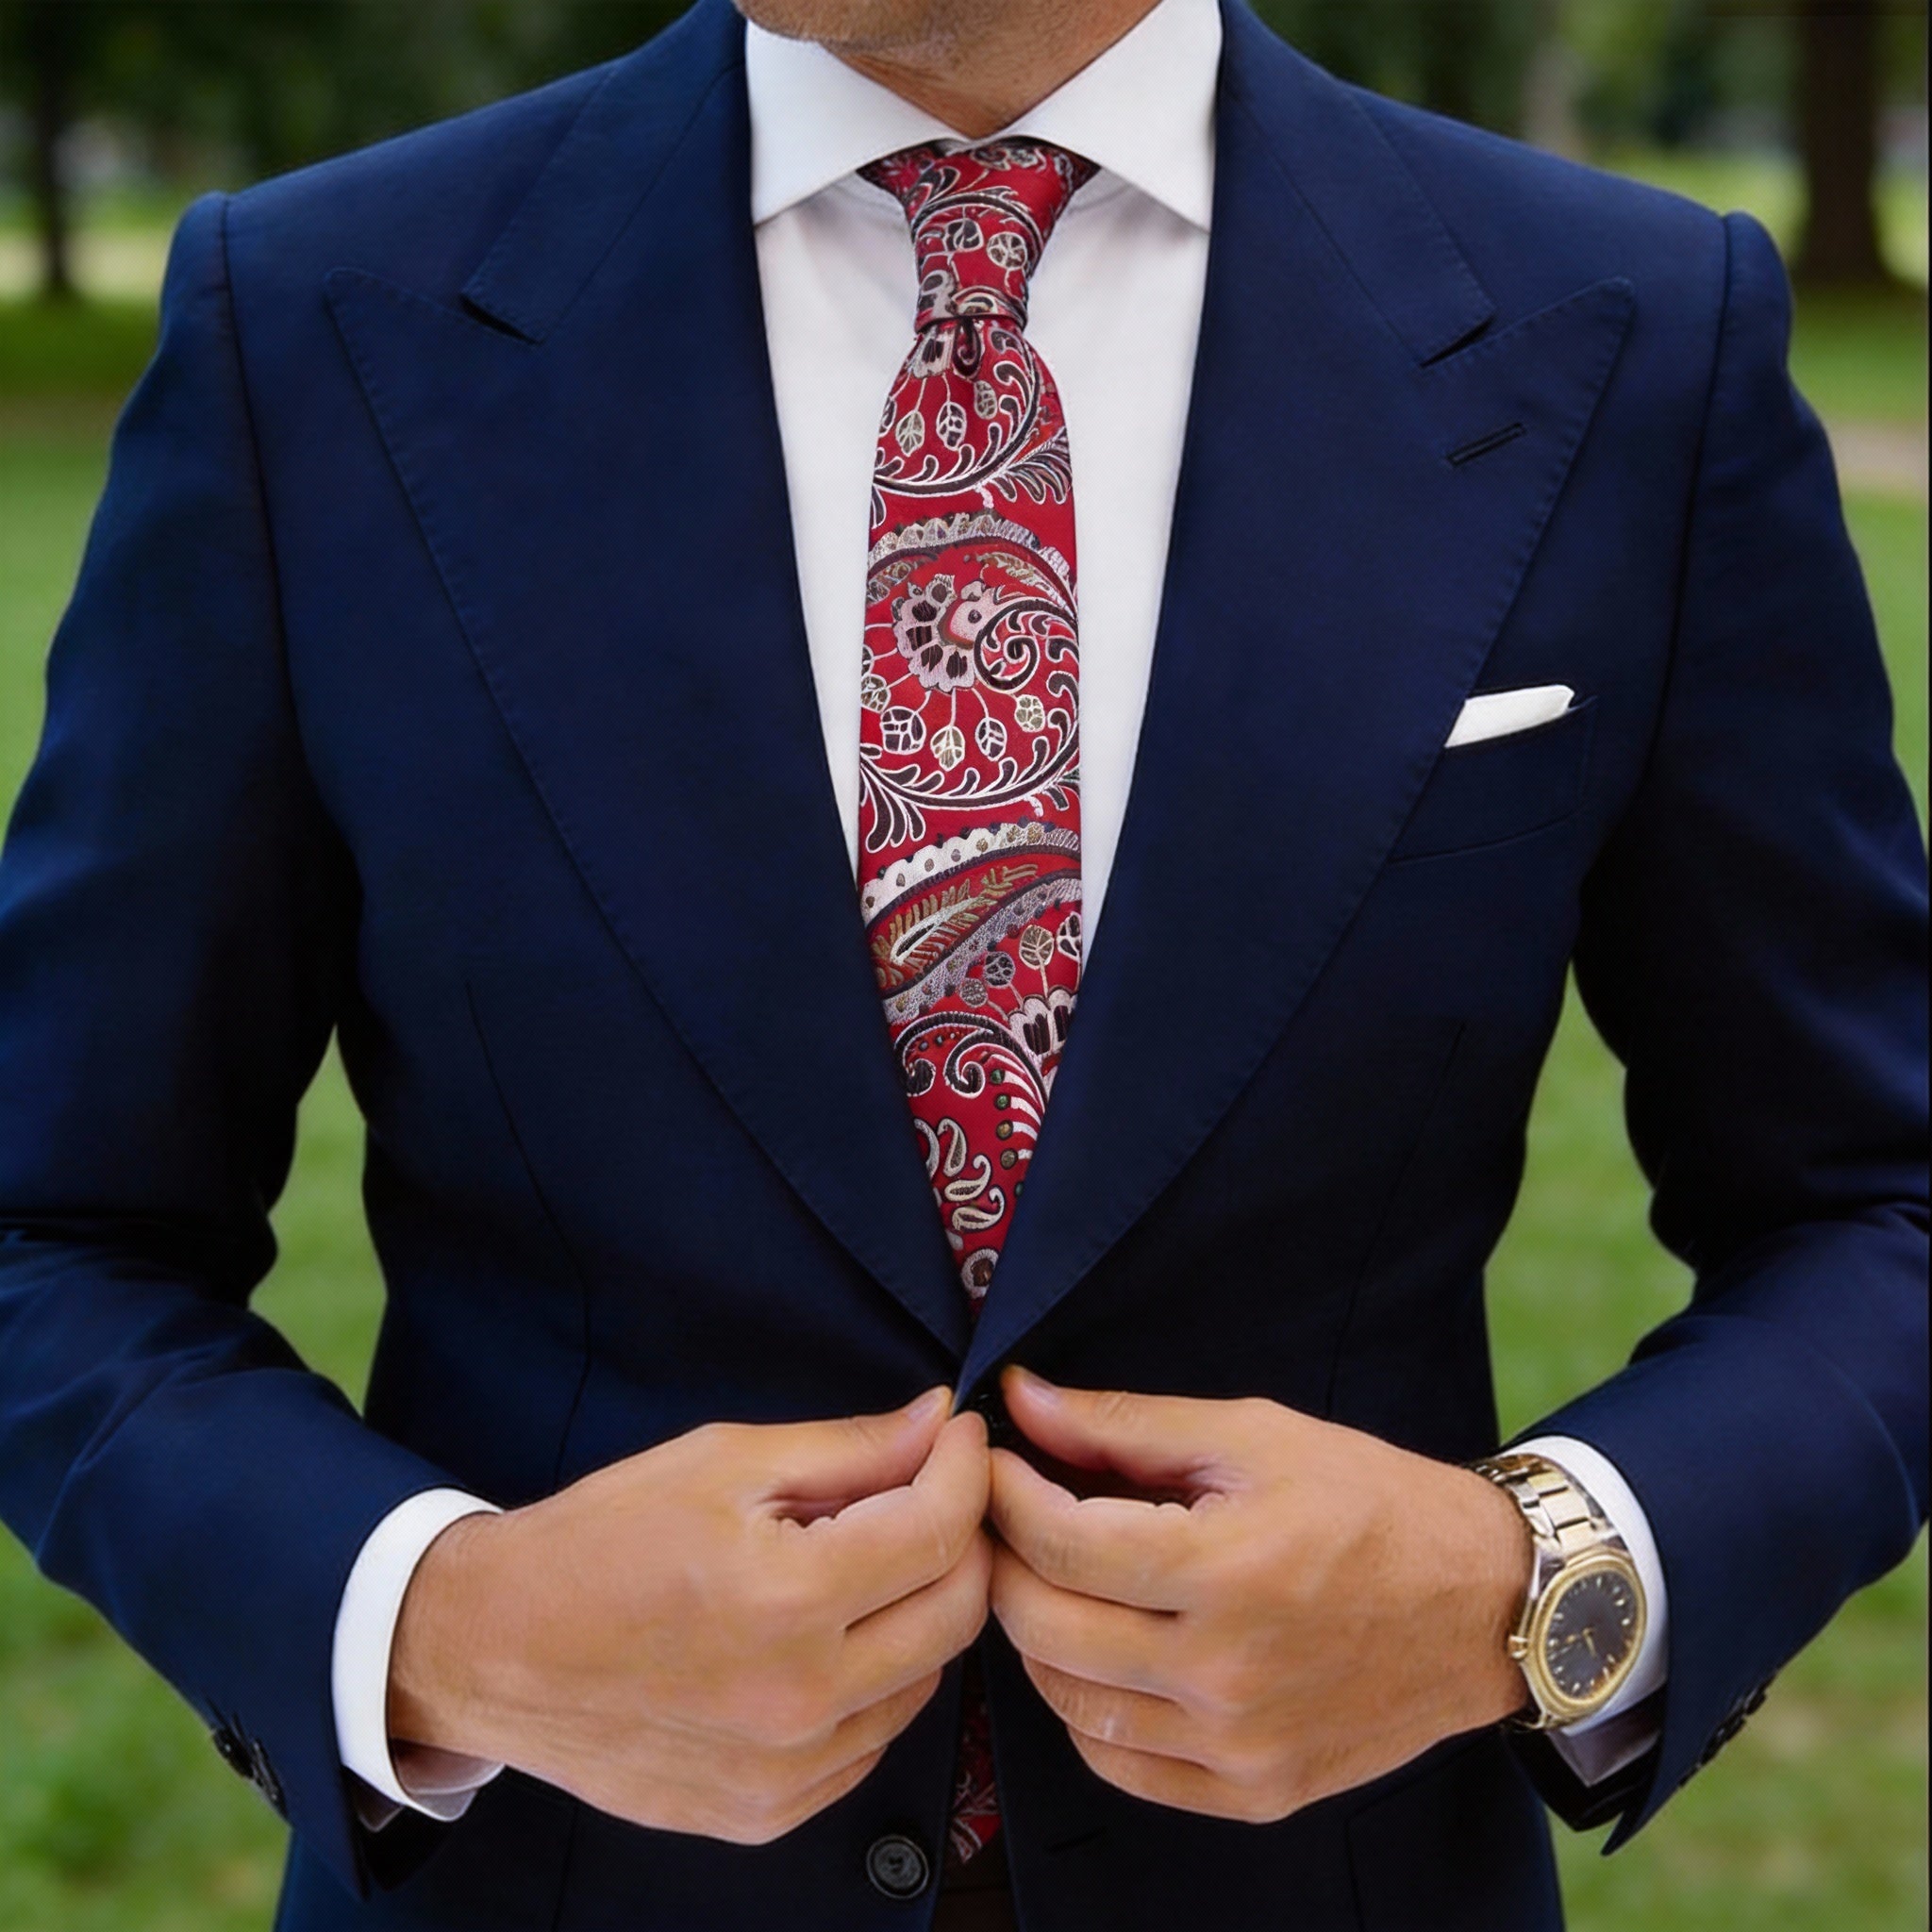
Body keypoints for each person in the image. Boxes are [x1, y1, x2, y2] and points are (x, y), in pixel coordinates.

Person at [0, 0, 1924, 1924]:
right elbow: (56, 1225)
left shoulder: (1628, 333)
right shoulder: (314, 321)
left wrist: (1531, 1587)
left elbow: (1872, 1199)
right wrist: (442, 1622)